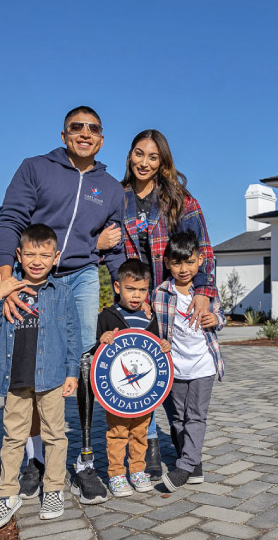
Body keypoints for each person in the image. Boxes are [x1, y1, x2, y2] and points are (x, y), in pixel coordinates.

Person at [0, 105, 124, 501]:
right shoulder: (35, 168)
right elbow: (10, 219)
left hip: (82, 275)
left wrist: (123, 295)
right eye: (76, 127)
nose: (85, 133)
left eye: (93, 128)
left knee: (81, 358)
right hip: (35, 275)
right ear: (64, 133)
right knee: (32, 360)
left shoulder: (112, 187)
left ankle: (83, 460)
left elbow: (115, 246)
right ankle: (34, 458)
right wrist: (6, 277)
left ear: (102, 138)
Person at [98, 128, 218, 479]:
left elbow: (204, 249)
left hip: (173, 299)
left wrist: (202, 291)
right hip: (136, 300)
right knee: (144, 371)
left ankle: (187, 449)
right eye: (138, 154)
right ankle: (150, 446)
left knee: (173, 369)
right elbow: (111, 252)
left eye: (153, 156)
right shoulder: (116, 198)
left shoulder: (180, 200)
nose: (144, 162)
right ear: (129, 156)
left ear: (162, 161)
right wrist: (127, 290)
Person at [0, 224, 80, 532]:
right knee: (13, 437)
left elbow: (72, 336)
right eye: (30, 254)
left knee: (54, 435)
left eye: (44, 254)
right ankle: (7, 494)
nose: (37, 260)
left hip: (51, 377)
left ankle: (53, 490)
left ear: (55, 257)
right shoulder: (10, 291)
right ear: (19, 255)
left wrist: (72, 373)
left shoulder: (62, 293)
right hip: (16, 377)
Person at [79, 259, 171, 500]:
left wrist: (163, 345)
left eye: (142, 290)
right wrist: (103, 339)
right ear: (118, 287)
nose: (136, 295)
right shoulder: (107, 316)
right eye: (131, 289)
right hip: (117, 392)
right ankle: (117, 474)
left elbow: (154, 350)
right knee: (118, 432)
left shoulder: (150, 319)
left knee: (141, 432)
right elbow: (94, 348)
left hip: (143, 393)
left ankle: (138, 470)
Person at [153, 231, 225, 492]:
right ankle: (193, 463)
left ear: (200, 260)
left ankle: (184, 467)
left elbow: (221, 315)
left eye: (190, 262)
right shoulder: (161, 292)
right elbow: (154, 327)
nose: (184, 269)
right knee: (177, 420)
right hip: (174, 366)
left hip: (203, 365)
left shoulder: (206, 290)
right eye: (177, 263)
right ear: (167, 262)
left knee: (195, 416)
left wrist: (216, 320)